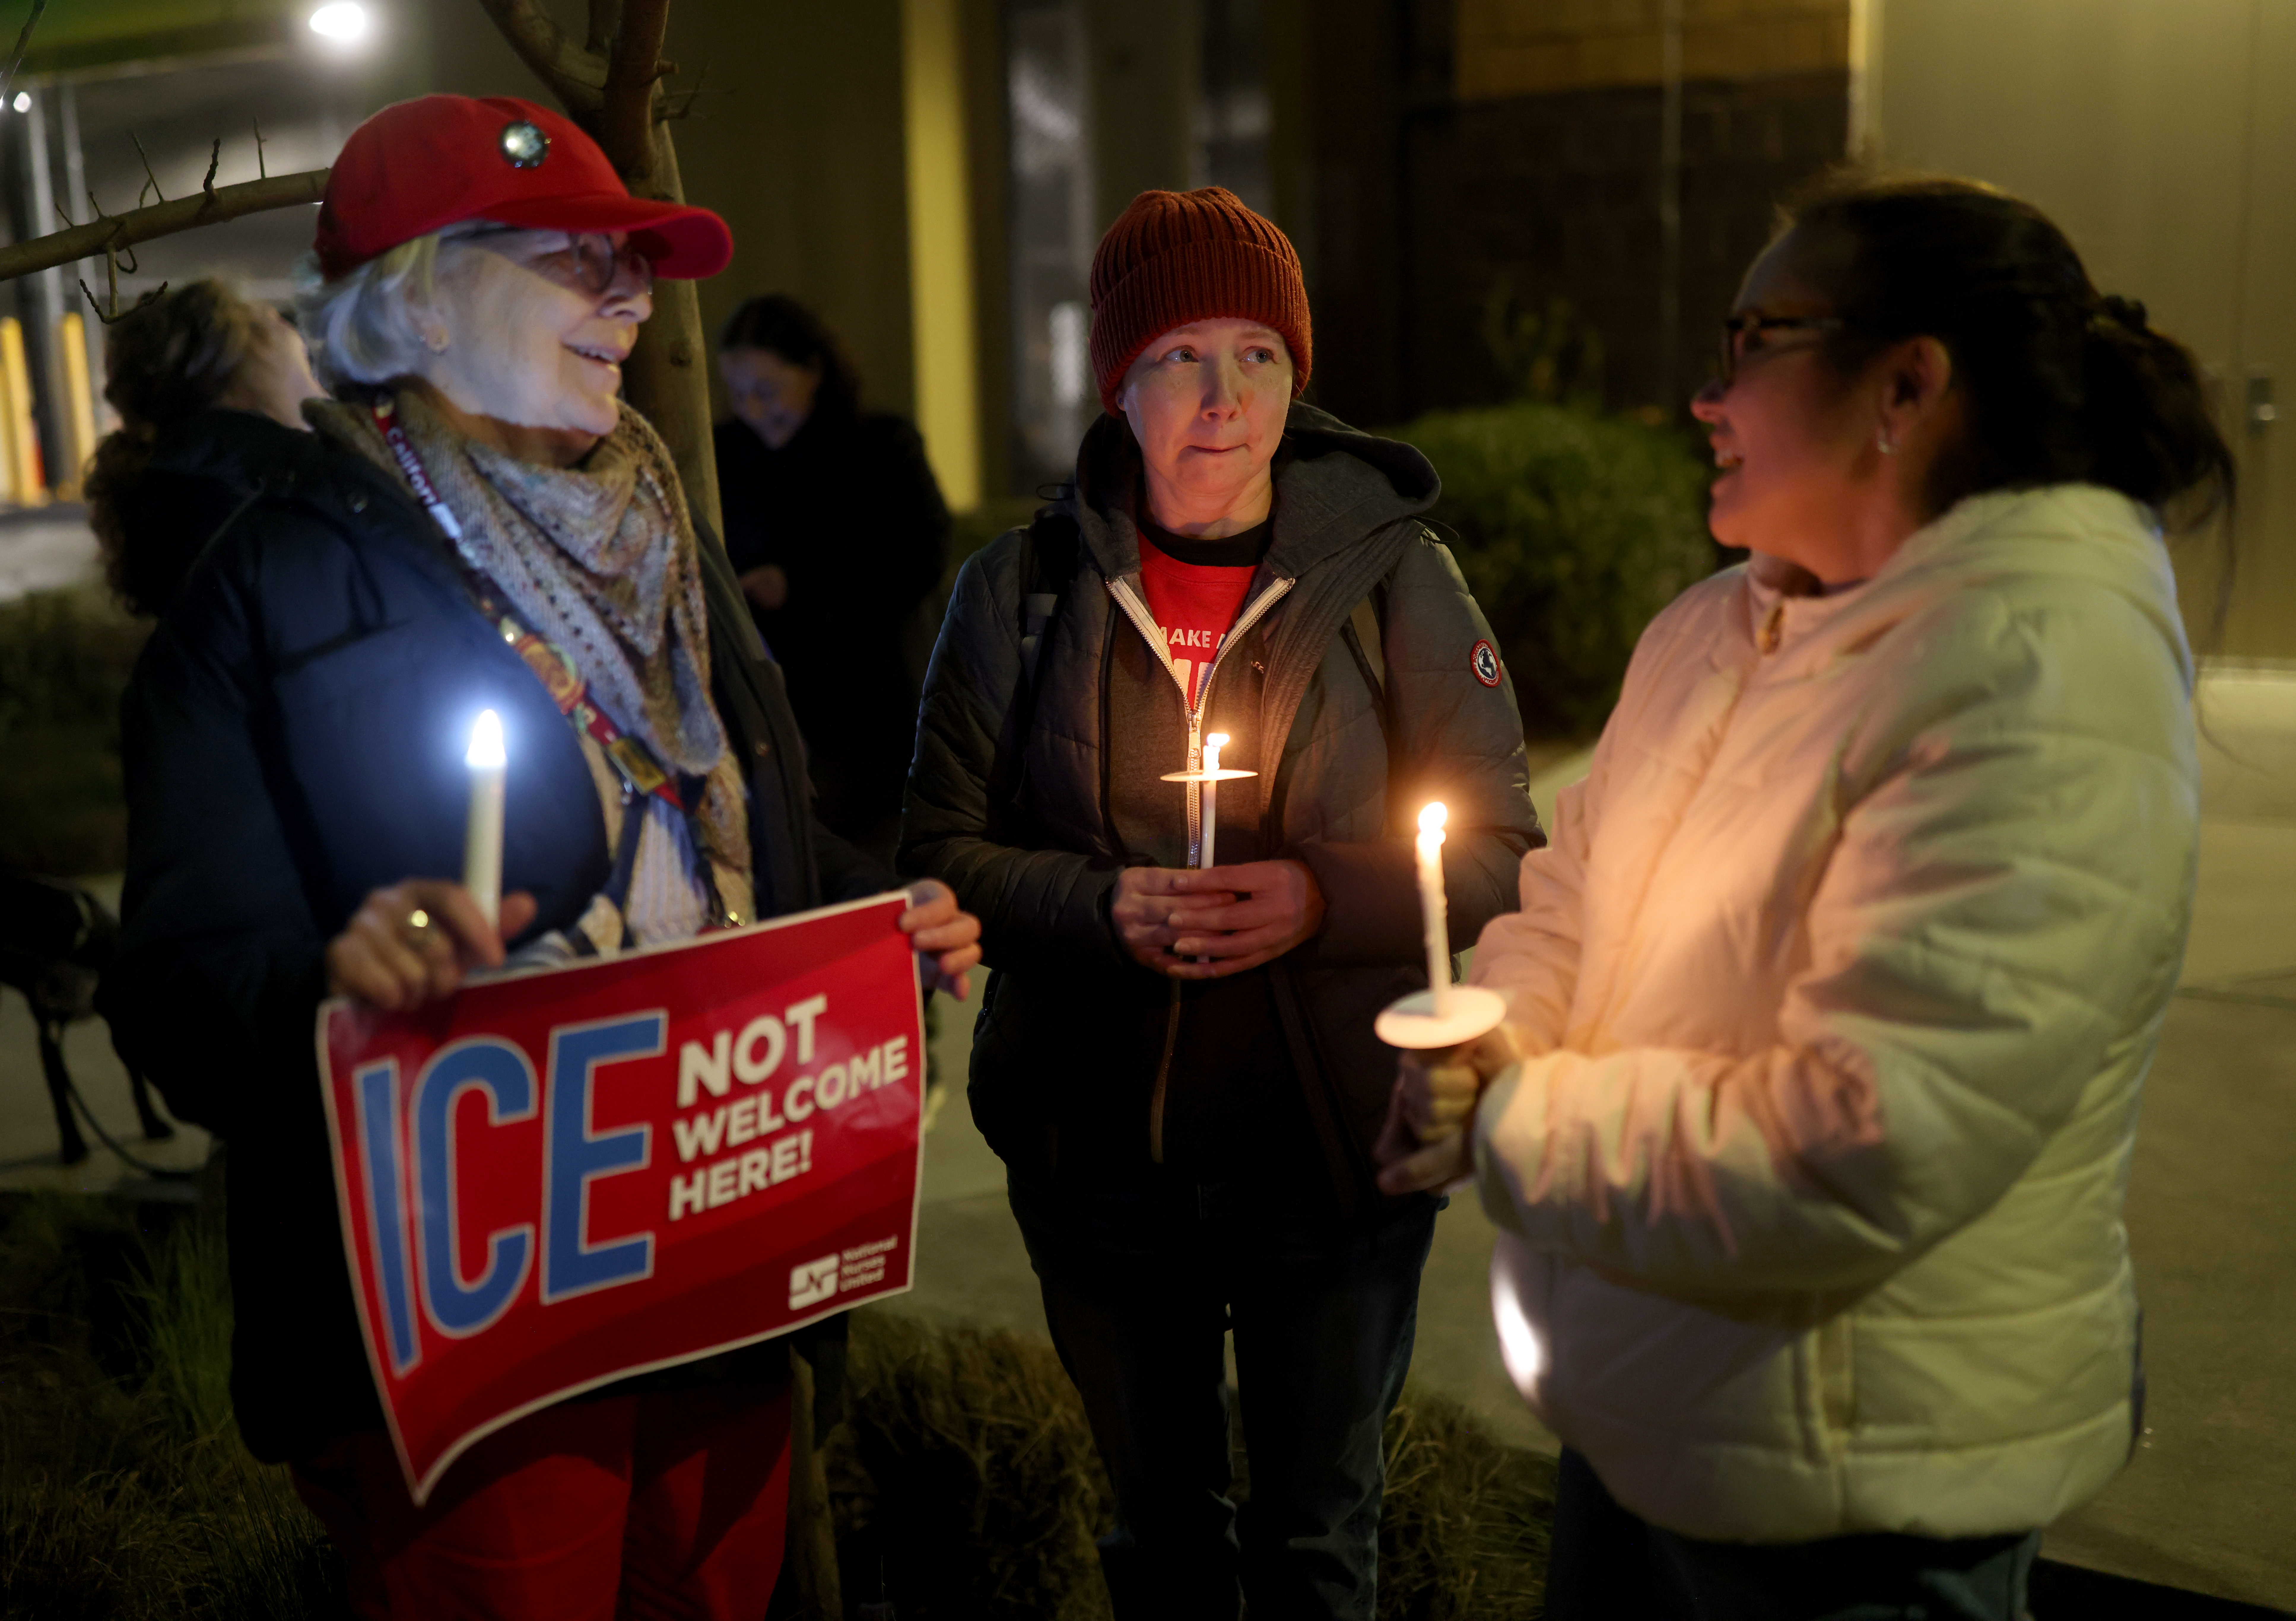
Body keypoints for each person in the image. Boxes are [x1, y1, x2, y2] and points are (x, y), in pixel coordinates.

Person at [96, 94, 981, 1621]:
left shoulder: (658, 524)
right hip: (479, 1335)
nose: (634, 299)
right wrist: (336, 979)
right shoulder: (264, 590)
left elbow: (719, 834)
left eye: (635, 265)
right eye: (580, 263)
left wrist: (871, 911)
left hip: (721, 1260)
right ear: (422, 296)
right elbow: (179, 983)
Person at [1378, 173, 2235, 1620]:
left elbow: (1866, 1135)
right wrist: (1497, 1025)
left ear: (1902, 385)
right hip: (1650, 1406)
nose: (1702, 398)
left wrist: (1516, 1119)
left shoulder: (2032, 673)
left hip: (1852, 1480)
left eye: (1747, 341)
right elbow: (1579, 883)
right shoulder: (1715, 630)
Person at [901, 186, 1541, 1619]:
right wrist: (1100, 909)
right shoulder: (1020, 592)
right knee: (1160, 1539)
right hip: (1096, 1156)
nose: (1222, 396)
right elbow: (941, 858)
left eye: (1256, 353)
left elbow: (1507, 856)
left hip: (1331, 1153)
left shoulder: (1397, 582)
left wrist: (1319, 896)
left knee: (1319, 1541)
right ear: (1114, 378)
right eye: (1180, 355)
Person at [715, 295, 949, 859]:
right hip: (768, 695)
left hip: (868, 697)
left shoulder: (878, 447)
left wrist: (799, 585)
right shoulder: (725, 454)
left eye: (767, 390)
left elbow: (917, 557)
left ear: (814, 371)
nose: (752, 407)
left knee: (868, 858)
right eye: (738, 392)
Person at [83, 278, 325, 617]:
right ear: (242, 396)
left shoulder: (190, 503)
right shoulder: (258, 521)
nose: (324, 394)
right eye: (307, 368)